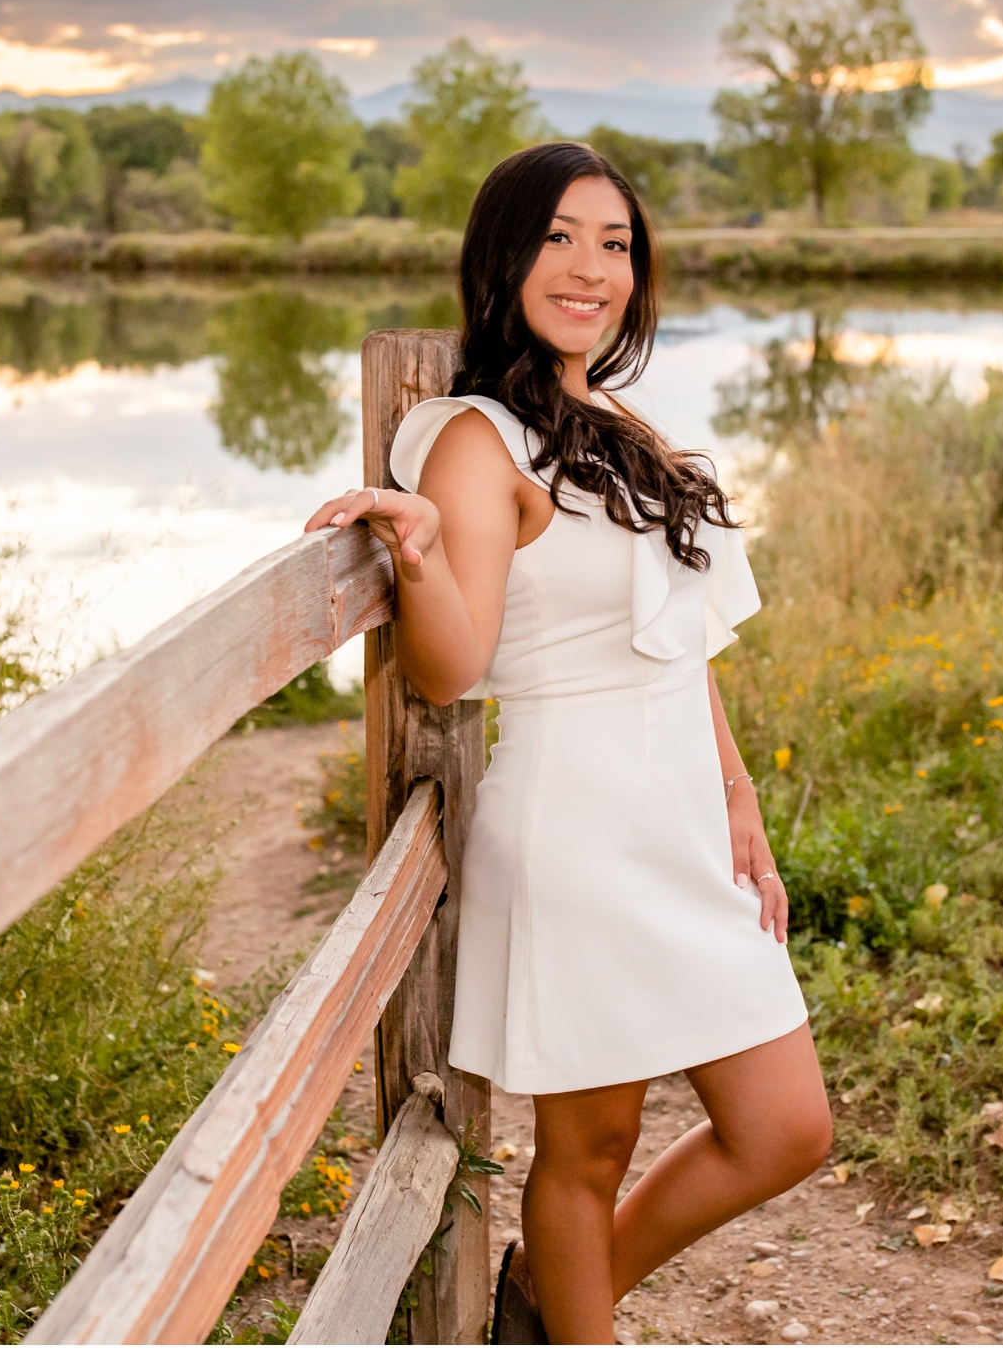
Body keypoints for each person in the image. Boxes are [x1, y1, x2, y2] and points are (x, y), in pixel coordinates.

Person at [304, 141, 831, 1344]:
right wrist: (421, 553)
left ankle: (544, 1290)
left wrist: (737, 795)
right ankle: (570, 1323)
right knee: (585, 1146)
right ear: (502, 255)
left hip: (681, 812)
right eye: (559, 238)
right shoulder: (478, 438)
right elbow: (450, 665)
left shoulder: (616, 422)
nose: (592, 268)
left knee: (787, 1124)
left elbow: (677, 637)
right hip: (577, 821)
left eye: (616, 243)